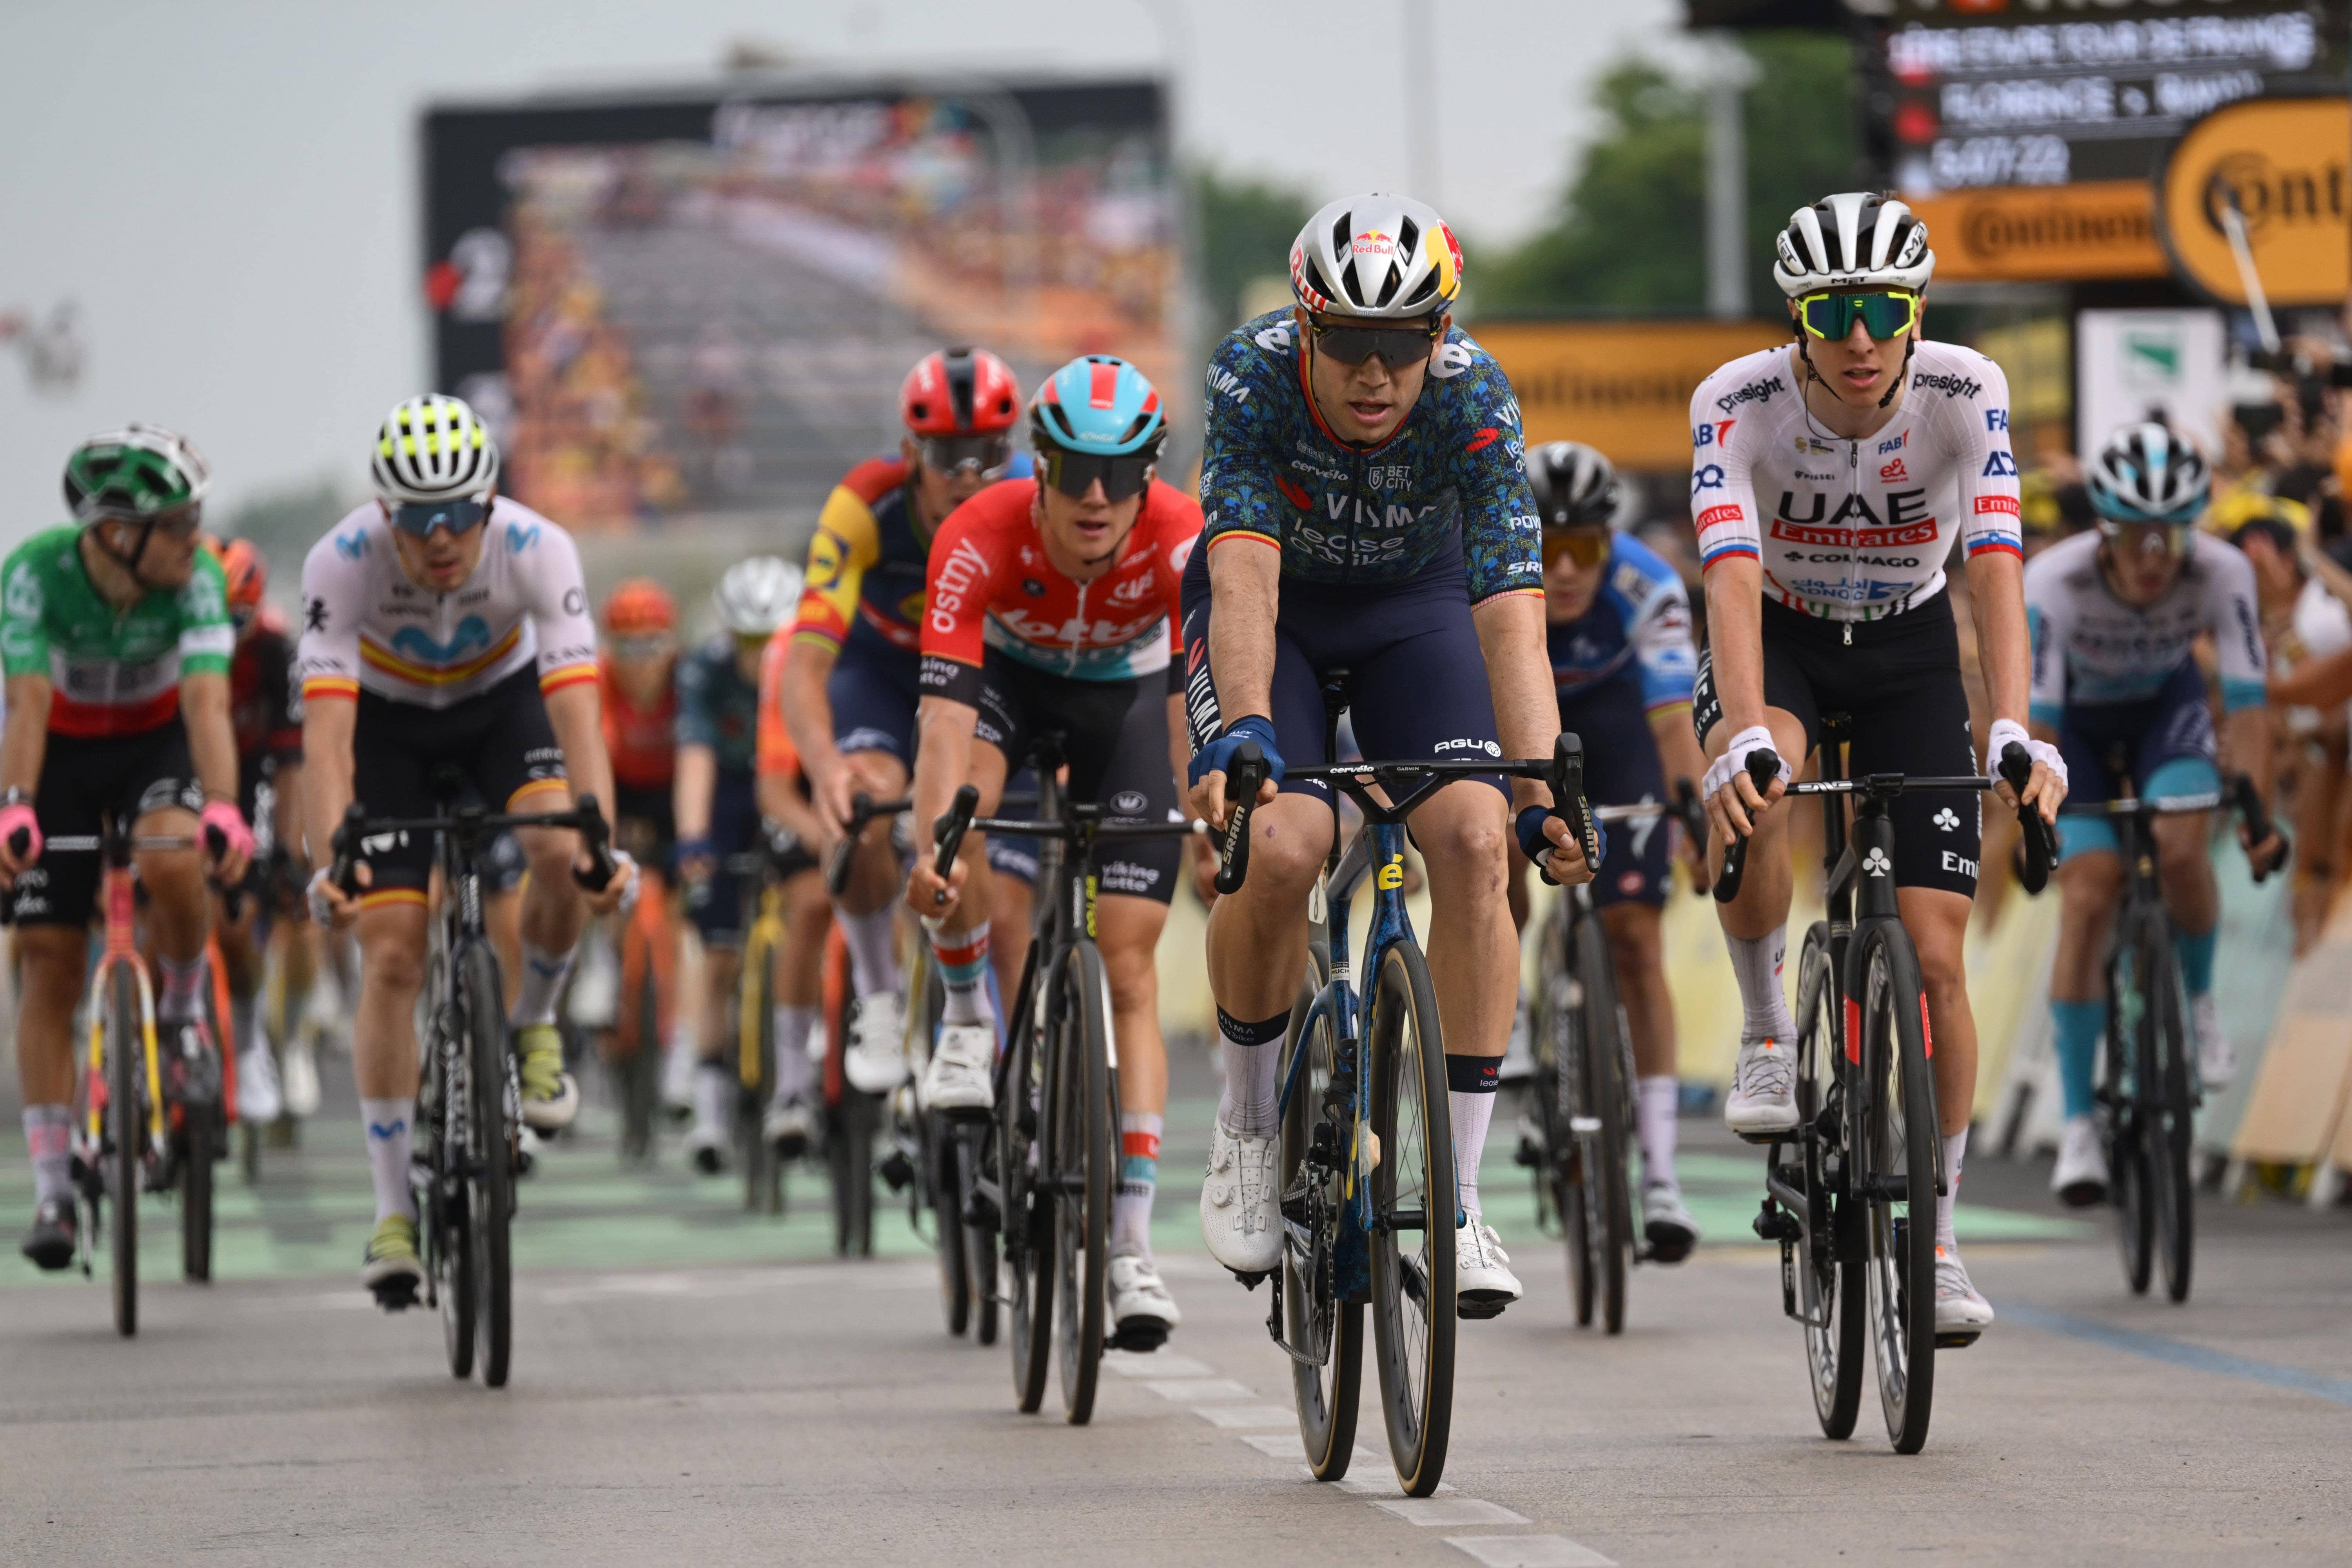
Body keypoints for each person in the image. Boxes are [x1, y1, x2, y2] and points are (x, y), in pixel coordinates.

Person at [1181, 192, 1592, 1321]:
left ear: (1438, 336)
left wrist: (1542, 784)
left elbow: (1511, 612)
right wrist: (1247, 725)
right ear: (1307, 326)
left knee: (1475, 838)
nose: (1375, 373)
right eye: (1351, 342)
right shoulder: (1252, 375)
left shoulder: (1473, 395)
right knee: (1284, 842)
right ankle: (1247, 1129)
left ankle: (1454, 1197)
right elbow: (1244, 578)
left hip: (1417, 607)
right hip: (1280, 606)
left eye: (1402, 345)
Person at [1690, 192, 2064, 1336]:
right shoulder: (1736, 402)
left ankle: (1937, 1242)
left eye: (1885, 312)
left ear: (1918, 314)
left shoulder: (1967, 390)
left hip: (1910, 646)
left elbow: (1996, 567)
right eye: (1833, 313)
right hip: (1785, 638)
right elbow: (1730, 581)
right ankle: (1766, 1029)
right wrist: (1743, 731)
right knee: (1759, 797)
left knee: (1938, 958)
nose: (1861, 339)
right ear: (1798, 322)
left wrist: (2014, 727)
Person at [298, 394, 633, 1301]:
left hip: (501, 708)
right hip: (388, 729)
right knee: (393, 953)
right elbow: (327, 739)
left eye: (459, 513)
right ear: (386, 514)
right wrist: (332, 862)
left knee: (557, 848)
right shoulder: (340, 562)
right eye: (418, 518)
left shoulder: (538, 547)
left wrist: (597, 835)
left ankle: (536, 1024)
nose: (441, 537)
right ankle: (391, 1211)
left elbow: (577, 709)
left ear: (489, 503)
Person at [904, 353, 1206, 1347]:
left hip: (1126, 705)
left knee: (1128, 960)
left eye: (1118, 475)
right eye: (1075, 470)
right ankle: (965, 1014)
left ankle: (1131, 1247)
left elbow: (1188, 712)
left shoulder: (1182, 536)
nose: (1095, 496)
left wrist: (1207, 822)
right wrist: (935, 846)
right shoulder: (976, 532)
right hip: (1010, 689)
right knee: (962, 824)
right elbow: (945, 724)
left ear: (1148, 475)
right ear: (1038, 465)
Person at [2, 426, 254, 1268]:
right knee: (48, 962)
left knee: (173, 857)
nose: (195, 537)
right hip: (61, 754)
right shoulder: (34, 574)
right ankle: (53, 1189)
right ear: (117, 533)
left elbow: (208, 704)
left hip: (157, 745)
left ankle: (180, 1011)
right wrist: (15, 809)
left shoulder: (200, 579)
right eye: (178, 523)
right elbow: (27, 705)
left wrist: (225, 808)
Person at [2029, 424, 2281, 1203]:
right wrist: (2033, 821)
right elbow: (2037, 725)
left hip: (2166, 713)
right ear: (2103, 531)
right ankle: (2080, 1124)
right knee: (2087, 894)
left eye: (2170, 536)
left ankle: (2198, 1004)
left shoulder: (2224, 570)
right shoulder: (2053, 580)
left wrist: (2258, 812)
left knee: (2180, 847)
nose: (2152, 556)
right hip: (2075, 728)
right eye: (2135, 535)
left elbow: (2250, 704)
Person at [780, 348, 1033, 1099]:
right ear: (910, 453)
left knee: (1006, 909)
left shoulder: (1034, 497)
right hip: (883, 678)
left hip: (989, 679)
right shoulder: (863, 506)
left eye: (987, 453)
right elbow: (805, 665)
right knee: (863, 811)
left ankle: (1027, 1088)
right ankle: (881, 995)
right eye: (949, 456)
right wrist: (825, 767)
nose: (968, 476)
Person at [1512, 441, 1709, 1260]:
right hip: (1519, 730)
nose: (1564, 570)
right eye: (1548, 547)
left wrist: (1693, 817)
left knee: (1636, 940)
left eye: (1583, 549)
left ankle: (1660, 1173)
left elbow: (1672, 720)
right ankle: (1514, 1006)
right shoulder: (1491, 571)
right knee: (1492, 847)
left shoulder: (1647, 584)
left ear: (1609, 542)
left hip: (1620, 732)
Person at [676, 557, 808, 1172]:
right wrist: (693, 838)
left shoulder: (816, 662)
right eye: (748, 641)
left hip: (795, 779)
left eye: (772, 639)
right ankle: (709, 1110)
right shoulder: (705, 671)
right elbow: (696, 755)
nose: (761, 655)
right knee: (720, 952)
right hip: (730, 788)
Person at [210, 537, 305, 1127]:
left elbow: (292, 762)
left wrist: (286, 854)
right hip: (186, 766)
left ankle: (252, 1042)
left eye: (236, 622)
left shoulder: (274, 649)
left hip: (252, 773)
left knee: (237, 923)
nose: (222, 637)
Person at [597, 579, 689, 1107]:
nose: (641, 662)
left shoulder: (685, 681)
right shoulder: (601, 682)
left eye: (652, 645)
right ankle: (604, 962)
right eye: (627, 648)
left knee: (676, 912)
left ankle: (676, 1024)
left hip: (673, 793)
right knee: (596, 869)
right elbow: (599, 757)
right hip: (621, 789)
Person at [751, 621, 837, 1155]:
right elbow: (774, 788)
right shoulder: (789, 652)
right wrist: (821, 838)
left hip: (885, 768)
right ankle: (791, 1085)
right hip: (801, 787)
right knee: (808, 905)